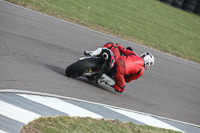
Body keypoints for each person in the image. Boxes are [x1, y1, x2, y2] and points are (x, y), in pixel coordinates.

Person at [84, 42, 155, 93]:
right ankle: (104, 77)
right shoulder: (141, 72)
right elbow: (127, 80)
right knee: (121, 88)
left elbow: (121, 49)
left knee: (112, 45)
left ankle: (93, 53)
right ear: (148, 63)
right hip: (119, 73)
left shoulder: (134, 54)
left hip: (116, 59)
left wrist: (118, 45)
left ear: (143, 55)